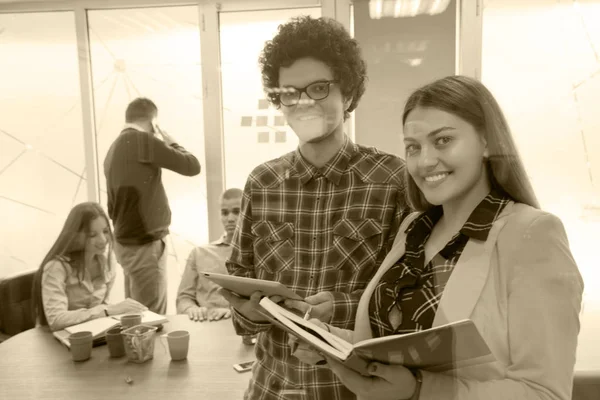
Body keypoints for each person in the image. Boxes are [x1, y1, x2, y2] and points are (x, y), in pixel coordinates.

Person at [292, 75, 584, 400]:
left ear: (487, 141)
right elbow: (396, 346)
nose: (425, 160)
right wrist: (329, 341)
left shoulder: (533, 235)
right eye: (413, 148)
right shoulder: (414, 230)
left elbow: (545, 392)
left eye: (443, 140)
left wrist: (421, 390)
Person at [220, 16, 409, 400]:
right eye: (290, 92)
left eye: (319, 88)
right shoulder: (262, 182)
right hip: (271, 384)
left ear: (350, 94)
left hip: (353, 387)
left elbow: (410, 293)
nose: (304, 102)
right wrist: (250, 311)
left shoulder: (391, 179)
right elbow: (238, 274)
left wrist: (339, 308)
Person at [104, 97, 201, 314]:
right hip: (145, 245)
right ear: (153, 122)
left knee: (134, 315)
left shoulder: (112, 150)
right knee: (151, 318)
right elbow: (192, 166)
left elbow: (111, 206)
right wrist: (172, 142)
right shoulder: (143, 142)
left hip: (123, 244)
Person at [31, 202, 147, 332]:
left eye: (105, 231)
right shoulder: (56, 267)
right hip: (56, 338)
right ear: (76, 236)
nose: (103, 240)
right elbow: (56, 320)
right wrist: (108, 310)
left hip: (90, 333)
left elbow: (102, 308)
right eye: (92, 235)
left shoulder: (107, 264)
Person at [176, 188, 242, 322]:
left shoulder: (259, 255)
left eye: (236, 212)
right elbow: (184, 298)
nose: (230, 218)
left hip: (240, 324)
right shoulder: (199, 253)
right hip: (204, 322)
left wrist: (232, 312)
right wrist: (190, 309)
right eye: (224, 213)